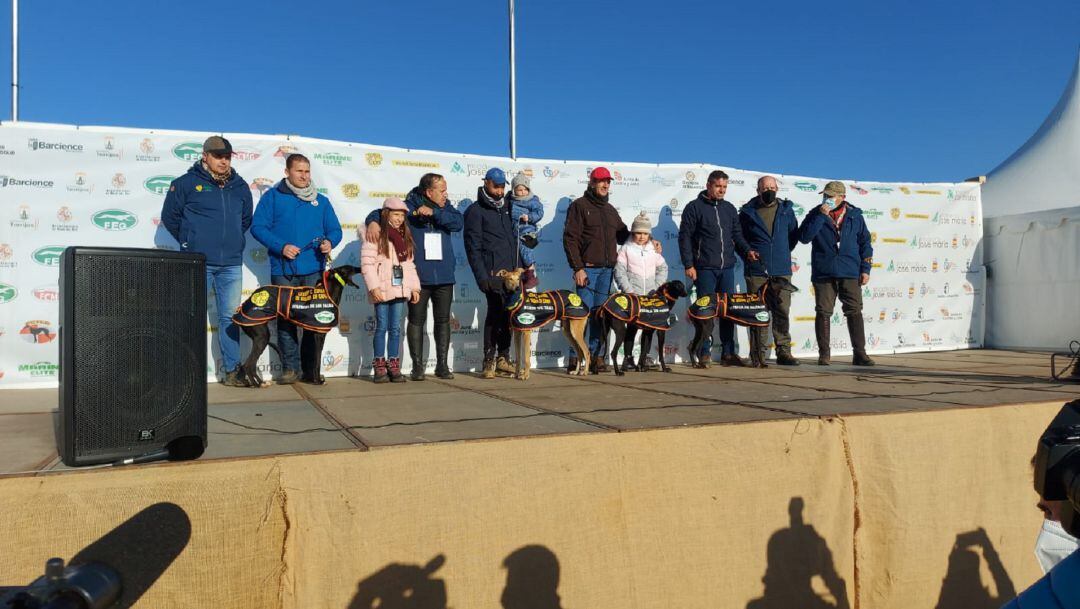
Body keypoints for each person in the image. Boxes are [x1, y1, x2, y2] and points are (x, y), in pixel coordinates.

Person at [160, 136, 252, 386]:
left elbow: (245, 220)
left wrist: (233, 242)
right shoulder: (185, 184)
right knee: (189, 317)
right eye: (218, 156)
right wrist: (190, 242)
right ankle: (183, 374)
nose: (224, 161)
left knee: (230, 319)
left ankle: (232, 371)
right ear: (205, 156)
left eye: (227, 157)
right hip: (196, 262)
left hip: (231, 264)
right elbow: (170, 217)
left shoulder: (240, 186)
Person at [250, 153, 343, 383]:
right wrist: (281, 246)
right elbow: (258, 227)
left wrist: (330, 242)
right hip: (284, 271)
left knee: (313, 321)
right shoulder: (273, 197)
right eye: (299, 171)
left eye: (307, 171)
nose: (304, 176)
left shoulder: (321, 201)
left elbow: (335, 230)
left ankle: (311, 370)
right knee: (287, 320)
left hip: (313, 271)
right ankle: (291, 368)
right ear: (287, 172)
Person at [365, 173, 463, 380]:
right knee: (416, 320)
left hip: (445, 275)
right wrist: (373, 222)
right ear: (429, 192)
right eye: (442, 190)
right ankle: (417, 367)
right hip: (419, 276)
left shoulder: (446, 208)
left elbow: (457, 223)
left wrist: (435, 213)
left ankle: (442, 366)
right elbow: (381, 213)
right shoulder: (408, 206)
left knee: (443, 320)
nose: (446, 194)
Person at [678, 170, 758, 367]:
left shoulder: (729, 209)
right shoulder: (694, 207)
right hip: (704, 268)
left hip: (727, 269)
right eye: (718, 186)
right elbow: (685, 237)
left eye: (724, 187)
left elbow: (737, 236)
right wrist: (689, 264)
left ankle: (728, 353)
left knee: (728, 311)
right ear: (708, 185)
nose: (721, 190)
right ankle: (703, 352)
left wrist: (747, 251)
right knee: (706, 311)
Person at [797, 181, 874, 366]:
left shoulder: (855, 215)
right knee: (823, 311)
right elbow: (804, 237)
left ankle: (860, 353)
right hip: (824, 271)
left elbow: (866, 243)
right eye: (825, 196)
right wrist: (821, 216)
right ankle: (824, 354)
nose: (827, 199)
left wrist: (865, 269)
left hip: (849, 270)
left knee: (854, 310)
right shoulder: (816, 213)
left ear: (842, 197)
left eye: (831, 196)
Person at [562, 167, 630, 372]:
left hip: (607, 271)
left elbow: (623, 235)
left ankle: (597, 357)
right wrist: (578, 268)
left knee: (600, 317)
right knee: (580, 315)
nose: (605, 185)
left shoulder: (610, 210)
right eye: (601, 181)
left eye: (608, 182)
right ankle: (576, 357)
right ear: (591, 182)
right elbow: (570, 239)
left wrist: (648, 239)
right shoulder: (579, 206)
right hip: (588, 270)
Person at [739, 175, 801, 368]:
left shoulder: (786, 211)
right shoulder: (747, 212)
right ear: (758, 190)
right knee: (759, 313)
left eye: (772, 187)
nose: (769, 191)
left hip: (781, 270)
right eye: (765, 188)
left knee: (782, 312)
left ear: (777, 189)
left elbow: (792, 237)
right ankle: (759, 354)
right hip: (757, 271)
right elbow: (740, 239)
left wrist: (780, 253)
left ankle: (784, 351)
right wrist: (748, 255)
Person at [464, 168, 519, 379]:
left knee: (509, 315)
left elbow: (512, 241)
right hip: (492, 274)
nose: (499, 190)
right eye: (496, 185)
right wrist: (482, 277)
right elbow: (473, 248)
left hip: (512, 275)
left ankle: (503, 358)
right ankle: (489, 361)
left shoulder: (507, 207)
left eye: (502, 186)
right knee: (494, 315)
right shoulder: (475, 211)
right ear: (486, 183)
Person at [361, 198, 421, 383]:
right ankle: (379, 365)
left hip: (400, 289)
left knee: (395, 329)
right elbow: (367, 264)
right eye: (395, 214)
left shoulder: (405, 236)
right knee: (381, 327)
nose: (399, 219)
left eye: (402, 215)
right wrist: (374, 287)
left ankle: (393, 364)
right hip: (381, 289)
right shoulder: (374, 234)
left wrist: (414, 287)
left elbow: (409, 265)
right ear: (386, 214)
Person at [614, 212, 668, 370]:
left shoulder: (653, 249)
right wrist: (628, 290)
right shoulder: (626, 249)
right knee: (631, 327)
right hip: (634, 297)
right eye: (638, 233)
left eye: (645, 233)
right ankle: (628, 358)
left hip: (650, 298)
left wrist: (657, 287)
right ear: (632, 232)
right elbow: (619, 272)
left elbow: (663, 268)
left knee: (649, 329)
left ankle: (643, 359)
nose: (642, 236)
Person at [510, 171, 543, 288]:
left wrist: (529, 217)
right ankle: (522, 274)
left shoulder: (532, 200)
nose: (523, 192)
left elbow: (539, 213)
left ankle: (531, 274)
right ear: (514, 190)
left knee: (525, 248)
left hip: (528, 230)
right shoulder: (511, 200)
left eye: (525, 189)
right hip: (516, 231)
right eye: (519, 190)